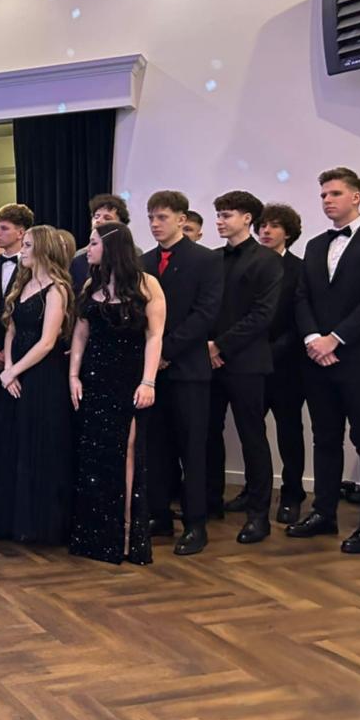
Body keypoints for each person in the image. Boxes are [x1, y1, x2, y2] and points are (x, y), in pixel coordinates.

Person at [288, 168, 360, 554]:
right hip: (316, 358)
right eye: (323, 194)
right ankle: (323, 513)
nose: (327, 200)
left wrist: (334, 339)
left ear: (356, 196)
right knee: (324, 438)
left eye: (335, 193)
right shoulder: (315, 245)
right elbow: (301, 297)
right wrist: (313, 339)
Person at [68, 223, 166, 564]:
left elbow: (155, 336)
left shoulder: (147, 284)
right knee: (94, 454)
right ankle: (92, 536)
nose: (88, 249)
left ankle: (122, 537)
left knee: (126, 452)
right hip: (94, 378)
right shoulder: (90, 284)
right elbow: (80, 333)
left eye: (93, 243)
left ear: (111, 247)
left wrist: (148, 381)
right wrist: (73, 375)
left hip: (128, 379)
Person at [141, 190, 223, 556]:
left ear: (181, 219)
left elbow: (205, 314)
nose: (155, 224)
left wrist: (165, 351)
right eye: (151, 218)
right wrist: (151, 356)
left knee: (192, 449)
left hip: (187, 369)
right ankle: (159, 515)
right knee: (155, 448)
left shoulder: (205, 260)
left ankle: (195, 524)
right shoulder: (143, 261)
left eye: (162, 217)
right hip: (152, 372)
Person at [202, 191, 282, 544]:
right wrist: (208, 345)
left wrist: (220, 345)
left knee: (252, 437)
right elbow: (205, 307)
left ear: (248, 218)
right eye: (218, 215)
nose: (220, 221)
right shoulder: (212, 258)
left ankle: (258, 516)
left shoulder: (267, 260)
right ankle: (209, 502)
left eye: (227, 215)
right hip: (209, 360)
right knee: (207, 432)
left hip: (246, 361)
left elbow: (263, 315)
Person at [0, 225, 75, 544]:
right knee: (13, 442)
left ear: (42, 249)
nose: (22, 251)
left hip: (42, 376)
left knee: (37, 445)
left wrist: (14, 371)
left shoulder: (57, 289)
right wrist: (8, 368)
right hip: (15, 374)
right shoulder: (22, 283)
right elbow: (11, 331)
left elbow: (48, 342)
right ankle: (11, 520)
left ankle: (38, 524)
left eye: (27, 245)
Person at [248, 203, 307, 523]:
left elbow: (300, 318)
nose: (266, 231)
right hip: (249, 363)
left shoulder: (300, 269)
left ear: (288, 232)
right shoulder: (249, 264)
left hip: (286, 365)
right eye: (262, 226)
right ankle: (253, 490)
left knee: (289, 432)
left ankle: (292, 494)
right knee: (251, 432)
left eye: (273, 226)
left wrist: (272, 351)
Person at [0, 203, 35, 374]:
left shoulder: (33, 267)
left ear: (21, 233)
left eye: (4, 228)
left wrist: (9, 349)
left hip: (23, 350)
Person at [70, 194, 131, 292]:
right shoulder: (79, 258)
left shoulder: (133, 253)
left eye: (107, 218)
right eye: (96, 216)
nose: (98, 221)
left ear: (121, 224)